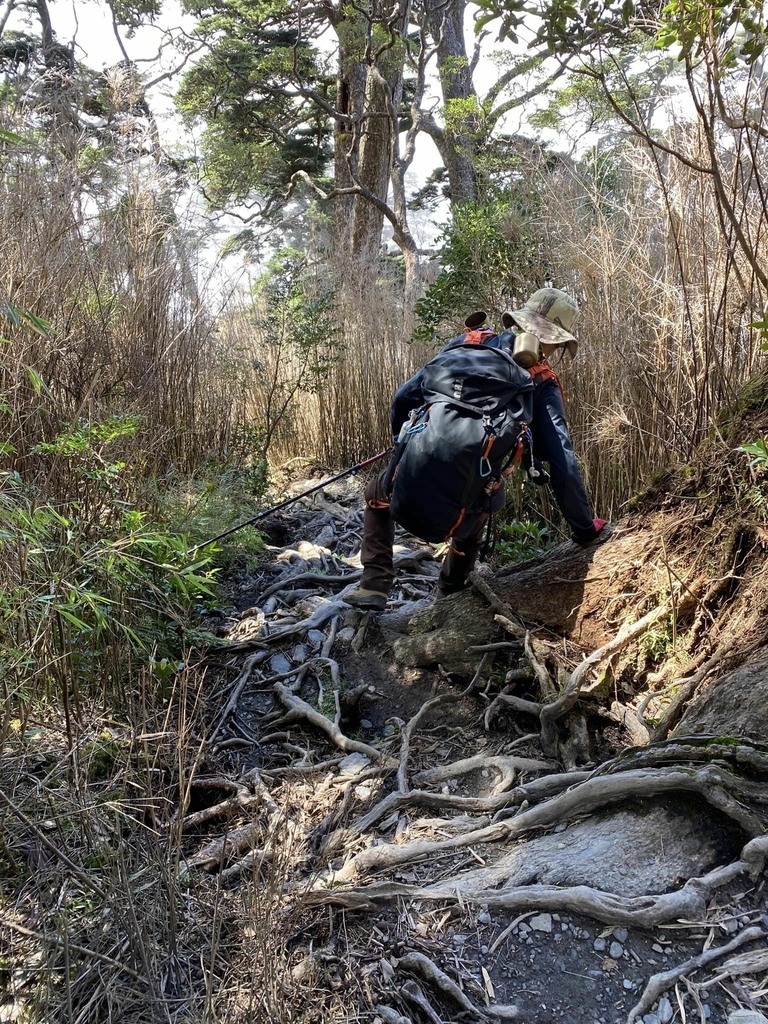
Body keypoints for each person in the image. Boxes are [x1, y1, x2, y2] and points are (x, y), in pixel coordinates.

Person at [346, 288, 605, 611]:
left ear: (518, 321)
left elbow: (403, 398)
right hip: (466, 509)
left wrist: (404, 448)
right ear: (554, 341)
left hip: (408, 479)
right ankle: (448, 594)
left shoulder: (469, 342)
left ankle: (374, 583)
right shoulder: (541, 381)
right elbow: (562, 462)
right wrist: (583, 527)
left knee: (375, 494)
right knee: (486, 503)